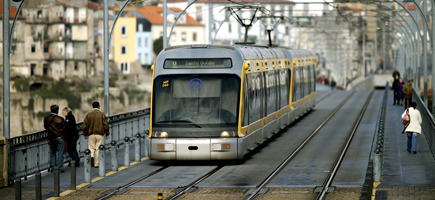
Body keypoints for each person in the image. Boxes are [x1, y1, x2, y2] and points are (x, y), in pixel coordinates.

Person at [83, 101, 109, 168]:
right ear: (98, 107)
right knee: (98, 149)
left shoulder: (88, 114)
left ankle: (91, 156)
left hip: (91, 134)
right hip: (99, 134)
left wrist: (85, 133)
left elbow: (85, 125)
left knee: (91, 148)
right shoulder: (102, 114)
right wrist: (107, 133)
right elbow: (105, 124)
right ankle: (96, 164)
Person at [44, 105, 66, 173]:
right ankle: (60, 168)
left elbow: (46, 127)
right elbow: (64, 128)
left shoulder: (47, 118)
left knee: (53, 153)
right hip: (60, 137)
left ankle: (53, 168)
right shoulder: (60, 119)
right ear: (57, 111)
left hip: (52, 137)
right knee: (60, 153)